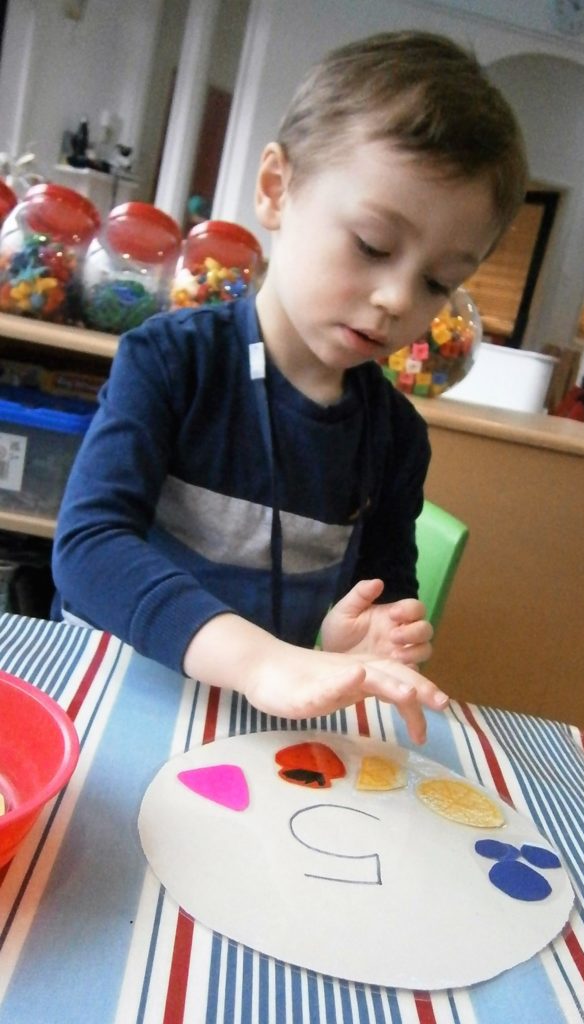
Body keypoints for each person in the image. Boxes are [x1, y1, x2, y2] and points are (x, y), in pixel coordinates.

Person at [52, 30, 527, 743]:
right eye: (372, 245)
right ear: (277, 189)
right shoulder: (170, 361)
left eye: (438, 282)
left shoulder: (395, 437)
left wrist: (361, 638)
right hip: (115, 692)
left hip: (253, 729)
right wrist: (258, 660)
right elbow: (89, 549)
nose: (399, 299)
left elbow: (382, 595)